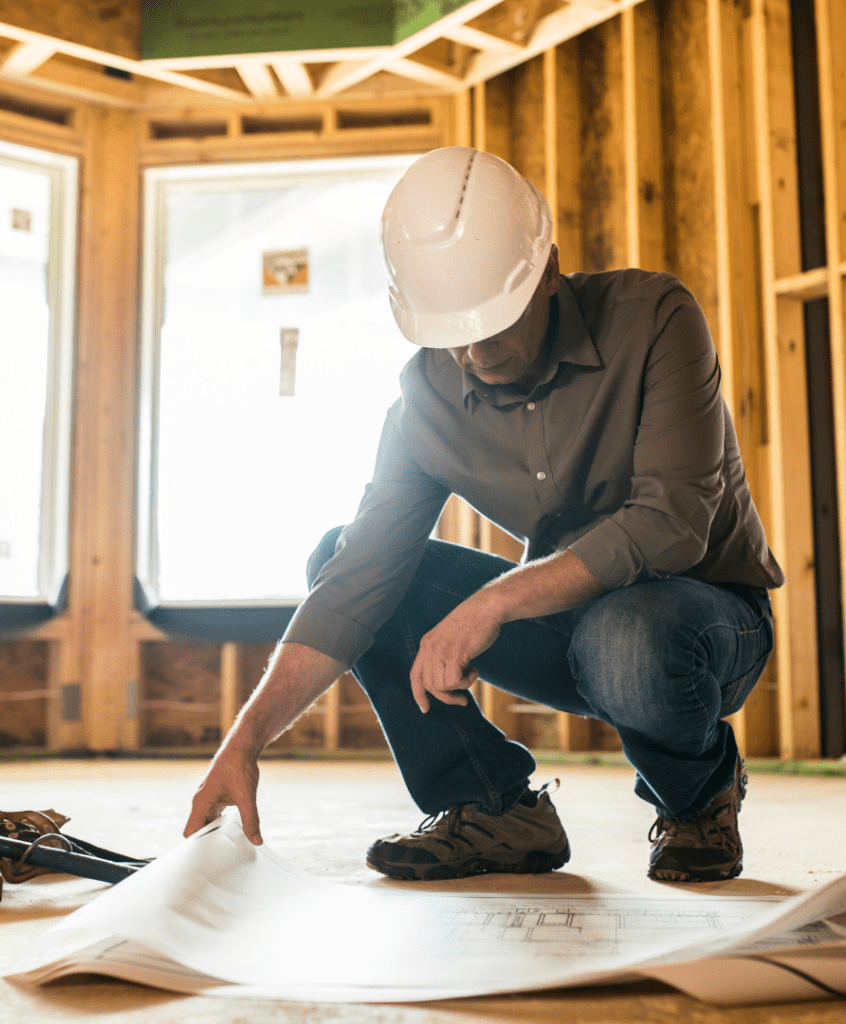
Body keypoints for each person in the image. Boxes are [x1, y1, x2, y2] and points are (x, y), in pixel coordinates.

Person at [185, 147, 784, 883]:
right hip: (570, 625)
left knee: (625, 636)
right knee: (337, 554)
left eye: (496, 322)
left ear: (550, 271)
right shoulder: (424, 402)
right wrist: (245, 740)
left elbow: (674, 521)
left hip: (705, 622)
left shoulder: (654, 319)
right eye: (450, 333)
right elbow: (353, 586)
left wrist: (495, 600)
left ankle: (699, 797)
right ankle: (492, 807)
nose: (474, 350)